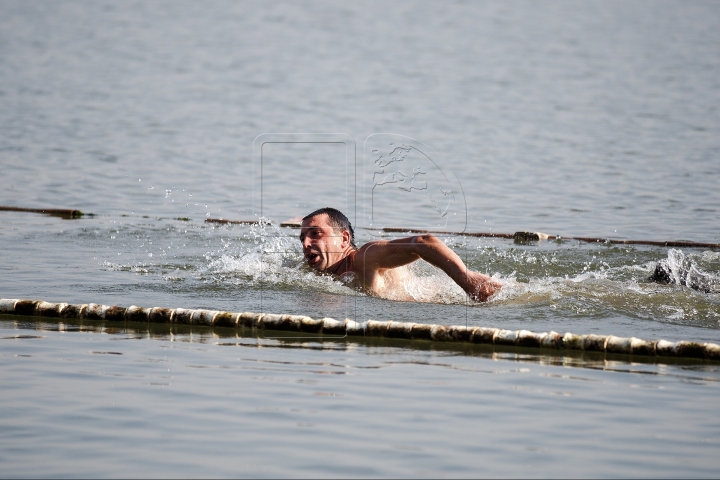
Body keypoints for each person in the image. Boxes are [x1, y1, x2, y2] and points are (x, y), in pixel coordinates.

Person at [299, 207, 501, 302]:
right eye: (302, 238)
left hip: (466, 295)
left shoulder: (365, 257)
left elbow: (424, 242)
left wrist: (468, 279)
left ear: (344, 239)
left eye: (315, 234)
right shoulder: (318, 270)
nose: (306, 244)